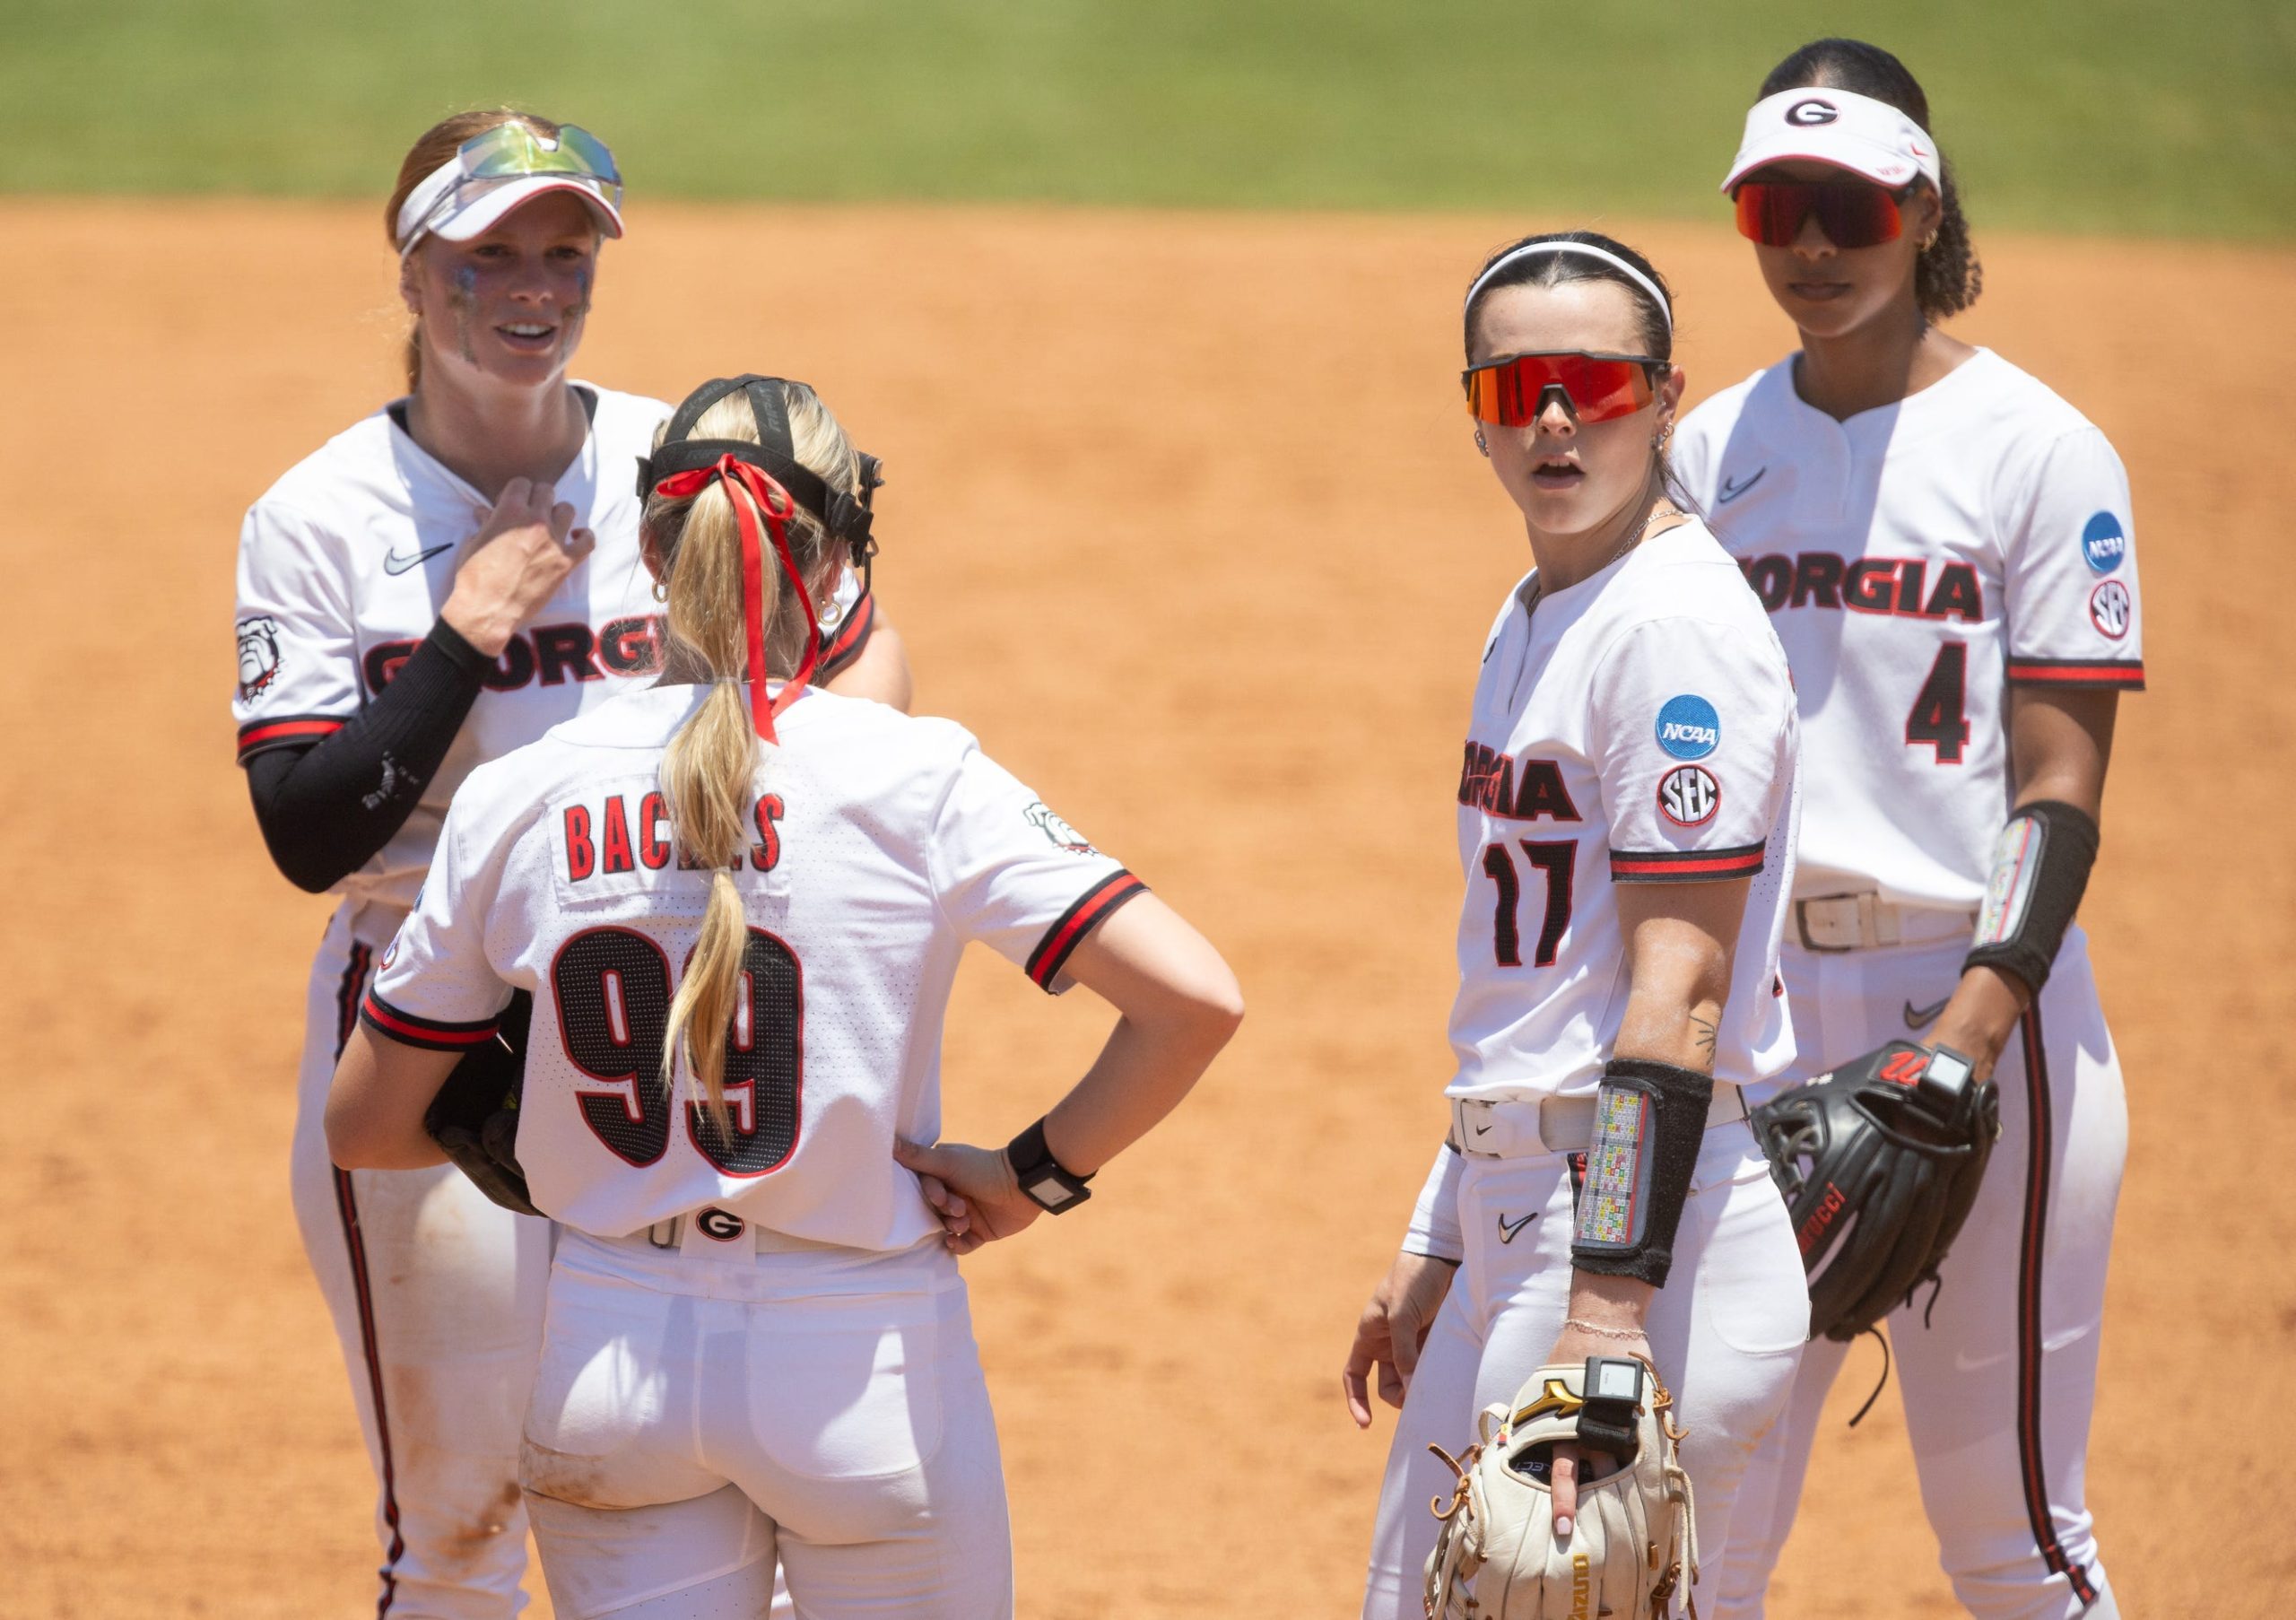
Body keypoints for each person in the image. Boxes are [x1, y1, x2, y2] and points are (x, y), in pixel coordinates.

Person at [323, 373, 1244, 1618]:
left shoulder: (521, 792)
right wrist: (1027, 1178)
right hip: (862, 1371)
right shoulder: (919, 774)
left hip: (608, 1355)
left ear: (655, 555)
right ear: (839, 565)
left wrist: (554, 1130)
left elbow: (365, 1125)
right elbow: (1195, 1001)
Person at [230, 110, 911, 1617]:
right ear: (413, 272)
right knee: (460, 1535)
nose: (535, 286)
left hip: (673, 1030)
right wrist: (466, 631)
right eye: (490, 256)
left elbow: (863, 659)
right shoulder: (319, 518)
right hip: (435, 1033)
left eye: (566, 250)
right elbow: (306, 831)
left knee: (720, 1515)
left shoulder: (677, 461)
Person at [1674, 39, 2143, 1619]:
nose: (1812, 245)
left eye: (1851, 208)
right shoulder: (1710, 450)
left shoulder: (2040, 451)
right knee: (1689, 1538)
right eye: (1777, 209)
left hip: (1978, 1022)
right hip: (1759, 1027)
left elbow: (2060, 784)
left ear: (1925, 211)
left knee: (2011, 1539)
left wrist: (1966, 1040)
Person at [1343, 231, 1811, 1617]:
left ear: (1665, 398)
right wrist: (1444, 1231)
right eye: (1516, 387)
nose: (1554, 419)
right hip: (1523, 1212)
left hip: (1634, 1243)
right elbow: (1539, 983)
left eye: (1595, 383)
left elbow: (1680, 986)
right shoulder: (1541, 606)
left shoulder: (1672, 632)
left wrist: (1603, 1317)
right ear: (1476, 413)